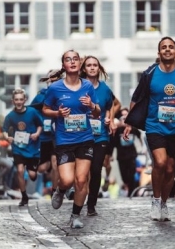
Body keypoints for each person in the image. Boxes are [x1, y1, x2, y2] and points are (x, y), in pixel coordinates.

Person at [124, 37, 175, 221]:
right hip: (154, 125)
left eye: (171, 47)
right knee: (159, 162)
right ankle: (156, 200)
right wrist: (129, 123)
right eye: (164, 47)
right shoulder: (149, 74)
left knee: (169, 167)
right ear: (159, 53)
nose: (167, 50)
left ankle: (164, 203)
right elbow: (136, 98)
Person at [43, 50, 101, 229]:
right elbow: (45, 109)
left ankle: (75, 215)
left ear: (79, 64)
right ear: (64, 65)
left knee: (82, 180)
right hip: (65, 140)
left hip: (85, 137)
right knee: (68, 180)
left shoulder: (88, 87)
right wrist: (57, 113)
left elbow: (97, 111)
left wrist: (91, 105)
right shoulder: (55, 88)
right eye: (68, 59)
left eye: (75, 59)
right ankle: (60, 190)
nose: (72, 62)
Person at [80, 55, 117, 216]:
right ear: (84, 69)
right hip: (81, 135)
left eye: (95, 65)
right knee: (83, 171)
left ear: (99, 68)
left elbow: (111, 105)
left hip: (100, 135)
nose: (92, 67)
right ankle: (79, 198)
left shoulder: (105, 89)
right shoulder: (78, 87)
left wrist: (110, 118)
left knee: (96, 170)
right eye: (89, 65)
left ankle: (91, 204)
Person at [3, 88, 42, 207]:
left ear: (25, 100)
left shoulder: (32, 112)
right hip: (18, 147)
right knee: (19, 170)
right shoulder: (10, 116)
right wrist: (7, 137)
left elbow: (40, 125)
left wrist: (37, 134)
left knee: (32, 175)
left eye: (21, 99)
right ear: (13, 101)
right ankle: (24, 196)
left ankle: (33, 173)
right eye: (16, 100)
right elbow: (5, 130)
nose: (19, 102)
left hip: (32, 148)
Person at [30, 69, 62, 195]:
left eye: (56, 80)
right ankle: (47, 166)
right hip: (43, 137)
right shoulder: (40, 96)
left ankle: (55, 192)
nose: (53, 82)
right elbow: (29, 113)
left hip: (57, 136)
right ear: (48, 80)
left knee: (56, 163)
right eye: (51, 79)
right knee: (41, 168)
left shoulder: (63, 95)